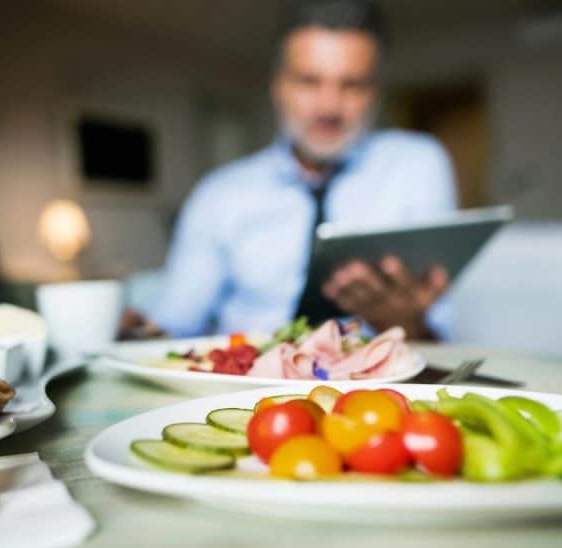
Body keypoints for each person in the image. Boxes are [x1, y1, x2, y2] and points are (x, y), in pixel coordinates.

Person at [139, 0, 457, 340]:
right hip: (248, 386)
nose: (330, 107)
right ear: (279, 87)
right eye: (309, 81)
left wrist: (403, 322)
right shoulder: (218, 194)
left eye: (352, 85)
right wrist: (139, 335)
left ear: (374, 93)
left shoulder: (418, 165)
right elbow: (174, 325)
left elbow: (442, 335)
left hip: (378, 384)